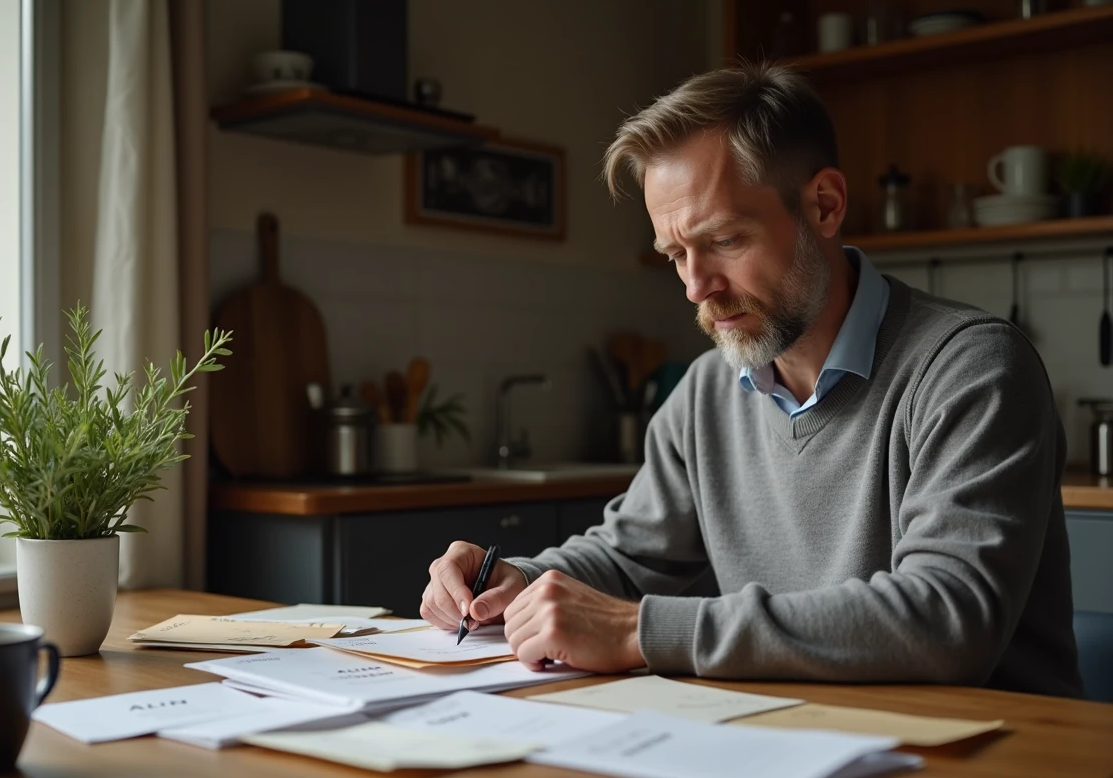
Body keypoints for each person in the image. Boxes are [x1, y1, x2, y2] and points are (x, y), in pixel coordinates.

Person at [419, 63, 1082, 697]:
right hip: (799, 742)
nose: (695, 286)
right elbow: (628, 559)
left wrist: (639, 631)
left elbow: (947, 622)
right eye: (676, 254)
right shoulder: (706, 394)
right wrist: (516, 581)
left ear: (824, 205)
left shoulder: (972, 369)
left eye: (726, 241)